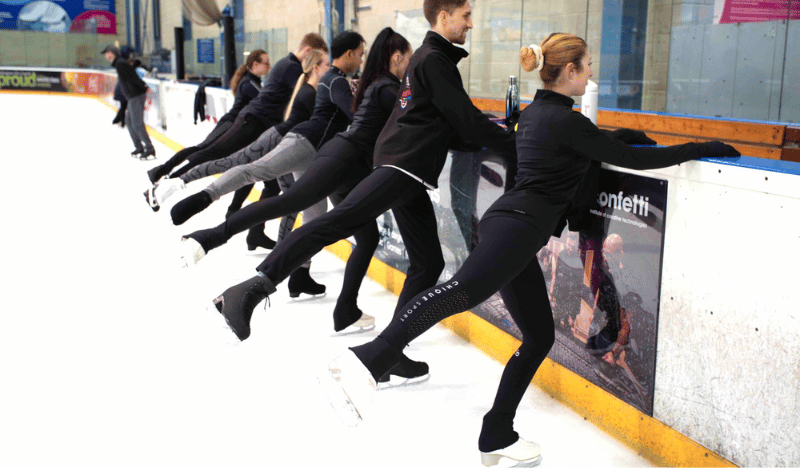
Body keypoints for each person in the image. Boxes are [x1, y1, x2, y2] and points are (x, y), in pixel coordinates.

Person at [315, 32, 741, 466]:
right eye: (587, 64)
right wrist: (702, 147)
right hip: (516, 230)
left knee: (538, 336)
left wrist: (626, 133)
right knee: (460, 292)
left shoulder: (538, 114)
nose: (592, 72)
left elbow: (593, 143)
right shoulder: (566, 122)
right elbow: (632, 159)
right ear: (570, 71)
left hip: (509, 225)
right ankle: (369, 360)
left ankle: (497, 431)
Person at [210, 0, 516, 387]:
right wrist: (514, 144)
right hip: (400, 167)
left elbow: (451, 125)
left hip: (408, 170)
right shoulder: (433, 60)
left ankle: (392, 351)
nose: (471, 24)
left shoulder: (429, 60)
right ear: (444, 16)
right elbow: (467, 122)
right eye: (466, 16)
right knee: (336, 222)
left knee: (428, 263)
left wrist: (496, 131)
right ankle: (249, 291)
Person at [180, 28, 412, 335]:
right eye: (409, 57)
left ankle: (343, 308)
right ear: (396, 57)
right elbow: (367, 114)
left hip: (343, 160)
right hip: (334, 155)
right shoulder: (358, 83)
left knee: (361, 235)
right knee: (287, 201)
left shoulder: (364, 83)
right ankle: (210, 238)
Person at [164, 31, 365, 224]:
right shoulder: (324, 80)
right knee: (238, 164)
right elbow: (354, 115)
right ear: (315, 66)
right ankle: (191, 187)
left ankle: (257, 234)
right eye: (326, 64)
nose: (362, 60)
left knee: (295, 205)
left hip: (306, 147)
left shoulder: (325, 84)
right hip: (285, 137)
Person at [144, 33, 328, 208]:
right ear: (308, 51)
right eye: (321, 61)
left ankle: (243, 219)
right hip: (252, 122)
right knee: (212, 154)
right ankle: (161, 186)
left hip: (260, 124)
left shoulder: (289, 66)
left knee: (254, 172)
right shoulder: (292, 68)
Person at [144, 49, 272, 184]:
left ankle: (164, 172)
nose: (269, 67)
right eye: (266, 63)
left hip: (235, 124)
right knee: (202, 150)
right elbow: (268, 99)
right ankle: (164, 172)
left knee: (203, 151)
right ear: (255, 64)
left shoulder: (253, 81)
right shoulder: (248, 83)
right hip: (230, 123)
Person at [102, 44, 155, 159]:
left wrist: (143, 86)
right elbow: (131, 74)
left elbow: (132, 77)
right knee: (129, 121)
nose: (105, 56)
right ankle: (139, 147)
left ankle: (149, 148)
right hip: (132, 95)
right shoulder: (119, 63)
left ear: (111, 53)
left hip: (136, 94)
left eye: (106, 53)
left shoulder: (120, 64)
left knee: (137, 123)